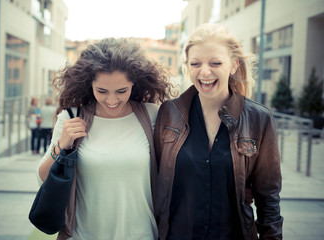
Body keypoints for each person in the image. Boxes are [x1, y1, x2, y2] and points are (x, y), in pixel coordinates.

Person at [154, 23, 283, 240]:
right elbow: (154, 179)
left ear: (233, 65)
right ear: (187, 66)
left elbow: (268, 197)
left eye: (216, 63)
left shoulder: (259, 119)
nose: (205, 72)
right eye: (195, 63)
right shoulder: (169, 112)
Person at [37, 38, 173, 240]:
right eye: (102, 91)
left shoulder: (151, 115)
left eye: (121, 91)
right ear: (88, 83)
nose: (111, 100)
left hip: (142, 234)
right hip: (83, 235)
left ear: (133, 84)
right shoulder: (72, 116)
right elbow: (43, 176)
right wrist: (62, 143)